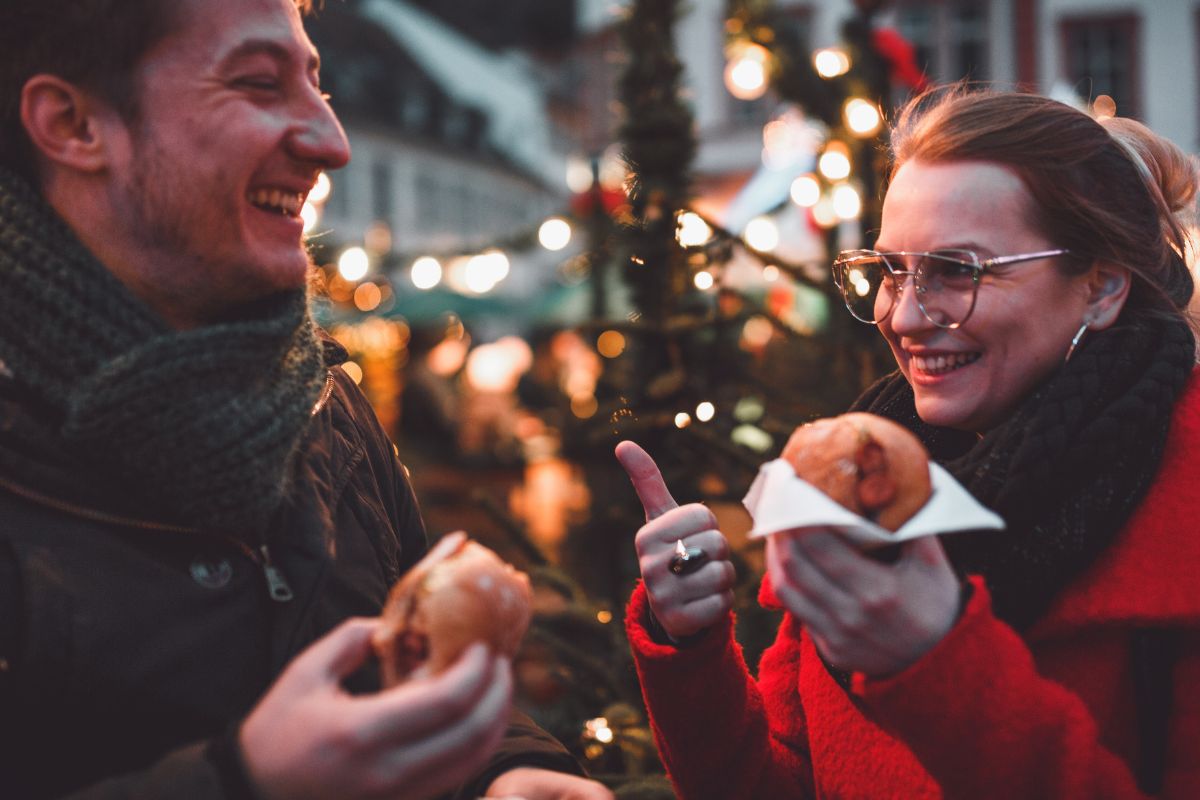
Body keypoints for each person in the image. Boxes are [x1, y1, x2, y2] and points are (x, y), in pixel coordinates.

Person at [0, 1, 613, 798]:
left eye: (318, 85)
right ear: (74, 125)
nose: (334, 142)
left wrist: (507, 768)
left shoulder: (323, 399)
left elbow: (408, 668)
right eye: (259, 84)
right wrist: (246, 786)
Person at [616, 85, 1200, 799]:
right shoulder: (859, 480)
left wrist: (935, 659)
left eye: (958, 270)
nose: (905, 315)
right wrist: (692, 643)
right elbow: (783, 783)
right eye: (890, 269)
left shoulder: (1181, 501)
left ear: (1102, 287)